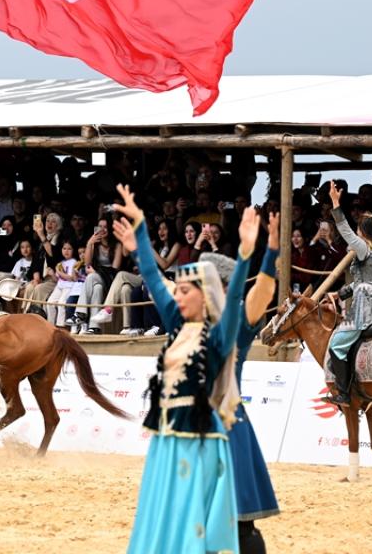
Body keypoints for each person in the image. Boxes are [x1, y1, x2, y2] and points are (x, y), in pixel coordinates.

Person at [110, 184, 255, 554]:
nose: (176, 294)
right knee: (160, 516)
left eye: (185, 290)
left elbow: (235, 295)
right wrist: (141, 228)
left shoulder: (221, 336)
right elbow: (151, 275)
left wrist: (245, 255)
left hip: (201, 444)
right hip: (166, 440)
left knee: (193, 524)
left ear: (206, 295)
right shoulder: (177, 325)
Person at [227, 212, 283, 554]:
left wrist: (270, 252)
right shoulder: (186, 324)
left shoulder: (237, 316)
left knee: (241, 522)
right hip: (192, 428)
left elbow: (261, 291)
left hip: (229, 422)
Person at [324, 181, 372, 407]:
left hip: (366, 310)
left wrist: (336, 204)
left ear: (363, 233)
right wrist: (340, 294)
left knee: (336, 345)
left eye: (358, 231)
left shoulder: (363, 248)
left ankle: (345, 394)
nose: (355, 234)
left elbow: (344, 230)